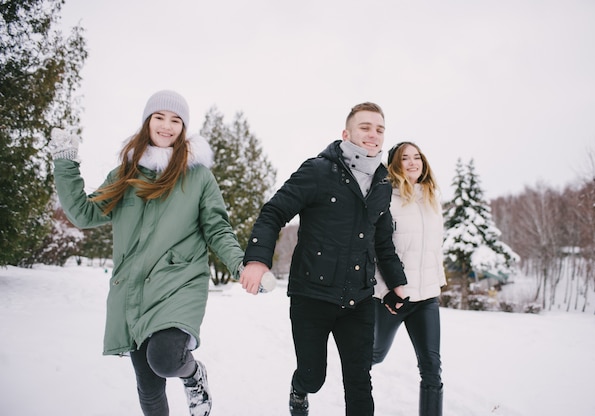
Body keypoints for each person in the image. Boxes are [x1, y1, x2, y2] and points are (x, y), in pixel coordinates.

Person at [50, 90, 245, 416]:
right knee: (149, 386)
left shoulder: (198, 176)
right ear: (147, 122)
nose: (167, 126)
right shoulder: (126, 176)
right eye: (160, 117)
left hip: (179, 283)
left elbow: (217, 229)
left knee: (166, 359)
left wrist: (240, 264)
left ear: (183, 128)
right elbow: (85, 213)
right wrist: (65, 161)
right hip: (136, 289)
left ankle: (193, 374)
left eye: (176, 120)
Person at [240, 102, 408, 416]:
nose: (373, 135)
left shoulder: (383, 183)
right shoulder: (318, 170)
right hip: (311, 296)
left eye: (379, 129)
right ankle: (299, 389)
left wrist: (397, 283)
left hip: (358, 299)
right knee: (313, 376)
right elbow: (273, 212)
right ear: (346, 133)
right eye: (365, 127)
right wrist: (257, 259)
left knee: (360, 384)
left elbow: (383, 242)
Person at [372, 141, 446, 416]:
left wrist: (437, 282)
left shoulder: (431, 199)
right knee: (375, 355)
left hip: (426, 298)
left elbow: (434, 249)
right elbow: (379, 250)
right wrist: (387, 290)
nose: (413, 162)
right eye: (406, 158)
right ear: (395, 164)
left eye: (417, 157)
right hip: (392, 299)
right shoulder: (386, 199)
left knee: (431, 369)